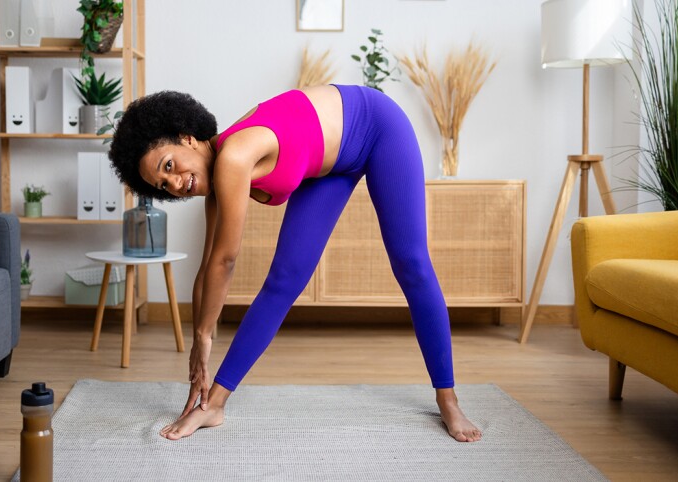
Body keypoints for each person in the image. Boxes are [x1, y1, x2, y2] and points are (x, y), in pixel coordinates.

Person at [109, 85, 482, 443]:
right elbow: (207, 267)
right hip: (329, 166)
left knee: (411, 264)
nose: (174, 184)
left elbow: (226, 260)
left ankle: (447, 398)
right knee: (284, 280)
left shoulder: (234, 156)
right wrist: (198, 345)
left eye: (169, 165)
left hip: (376, 126)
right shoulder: (220, 176)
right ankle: (214, 405)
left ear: (186, 137)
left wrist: (205, 340)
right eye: (163, 185)